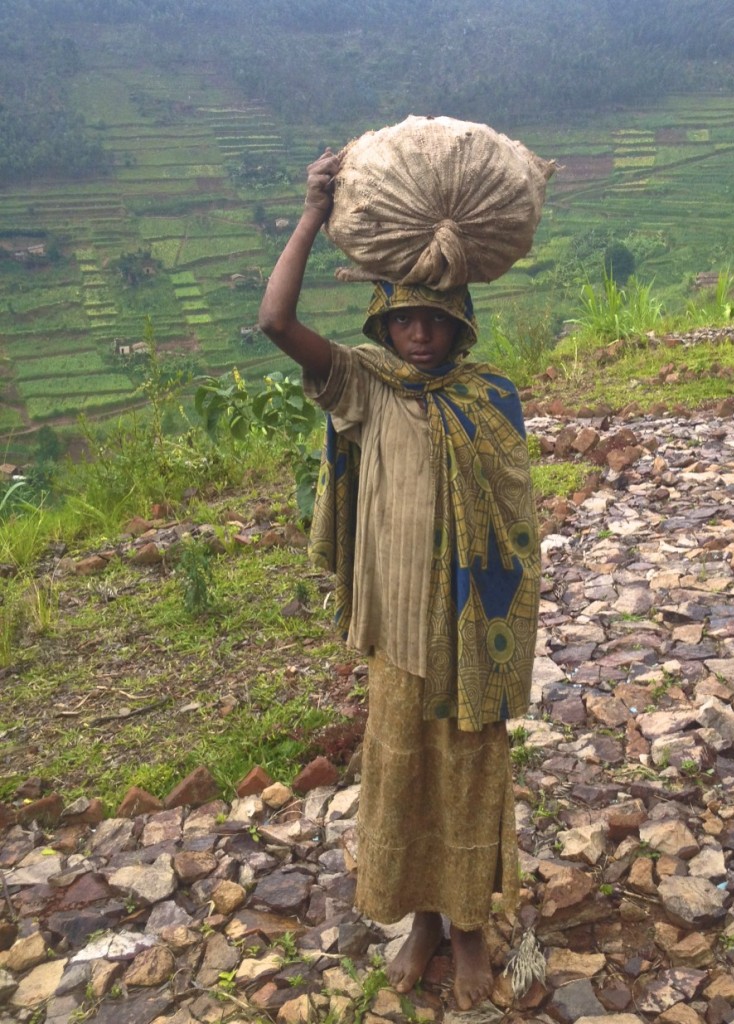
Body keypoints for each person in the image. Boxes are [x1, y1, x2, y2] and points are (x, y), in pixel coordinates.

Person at [258, 149, 540, 1010]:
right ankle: (420, 921)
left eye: (437, 321)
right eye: (406, 320)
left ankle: (468, 932)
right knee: (404, 773)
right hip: (400, 632)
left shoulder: (489, 397)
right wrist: (311, 213)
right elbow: (274, 321)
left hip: (466, 633)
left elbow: (515, 527)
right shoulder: (365, 389)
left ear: (461, 327)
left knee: (465, 774)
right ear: (383, 325)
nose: (420, 334)